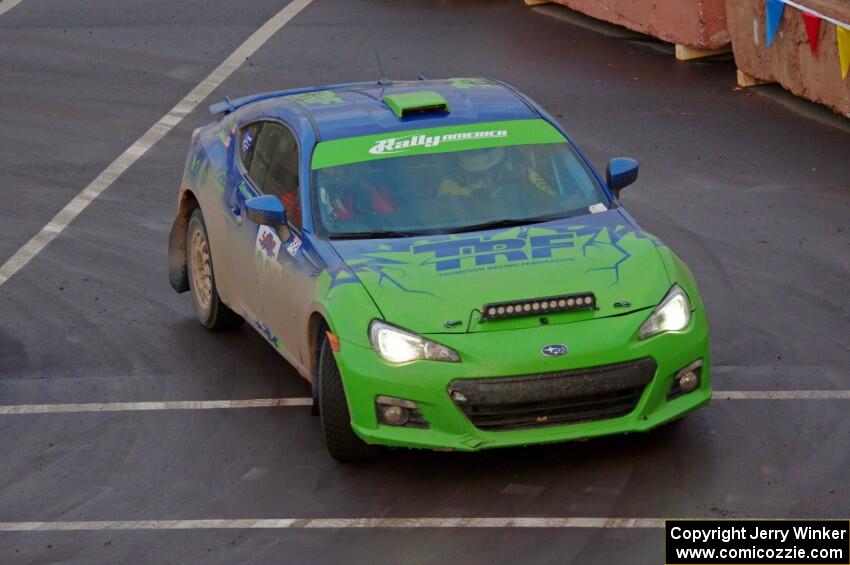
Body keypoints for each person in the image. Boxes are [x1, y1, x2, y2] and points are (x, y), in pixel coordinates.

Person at [438, 146, 559, 202]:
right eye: (478, 172)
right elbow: (444, 211)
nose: (486, 174)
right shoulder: (450, 184)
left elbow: (552, 199)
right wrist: (472, 192)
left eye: (492, 169)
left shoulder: (524, 173)